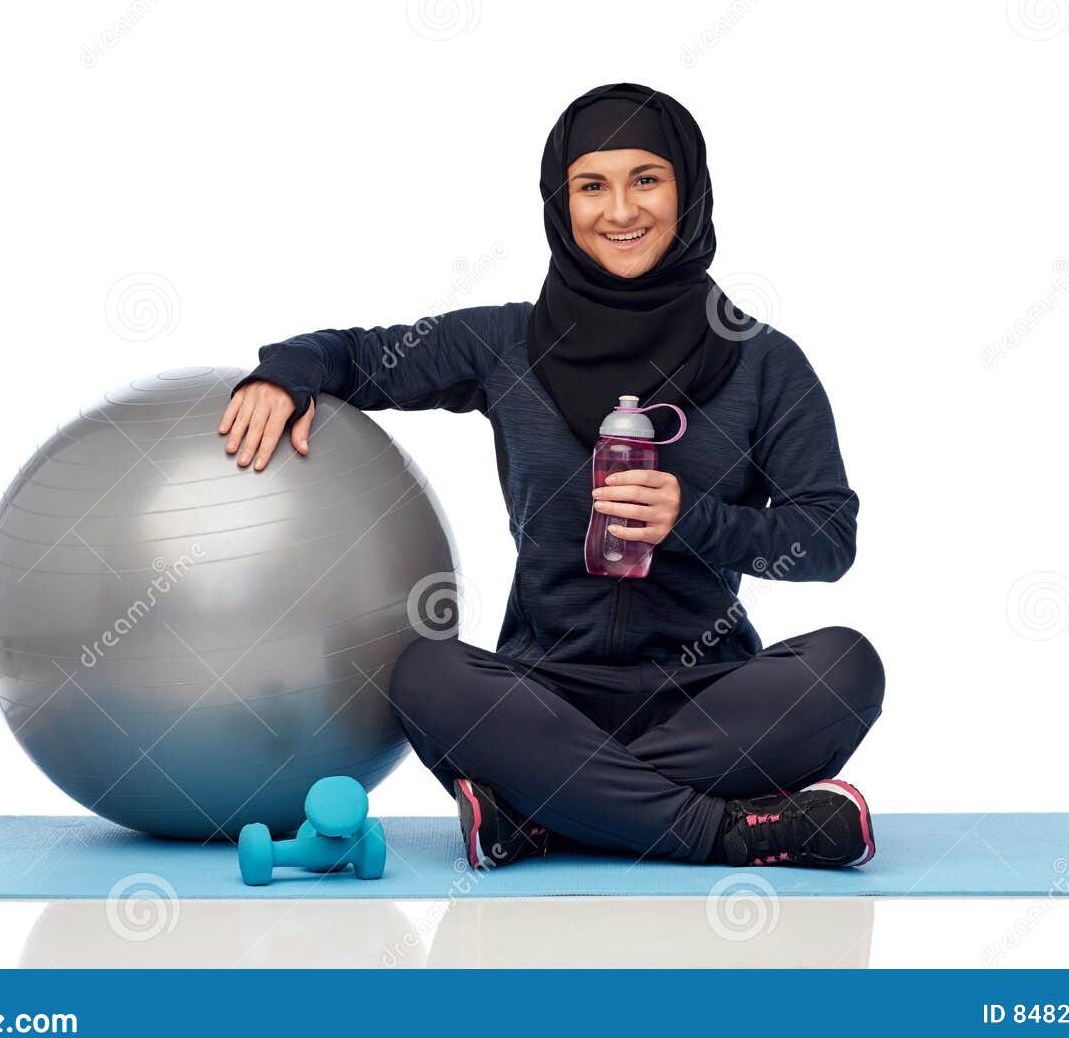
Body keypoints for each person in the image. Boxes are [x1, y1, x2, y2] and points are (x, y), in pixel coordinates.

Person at [218, 82, 885, 871]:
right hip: (537, 696)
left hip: (710, 695)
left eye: (647, 179)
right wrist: (281, 373)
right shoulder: (508, 344)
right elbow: (363, 357)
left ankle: (541, 812)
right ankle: (728, 832)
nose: (620, 210)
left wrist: (695, 518)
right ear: (558, 203)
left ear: (689, 191)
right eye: (591, 185)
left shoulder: (763, 362)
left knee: (848, 668)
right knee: (427, 673)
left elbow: (827, 539)